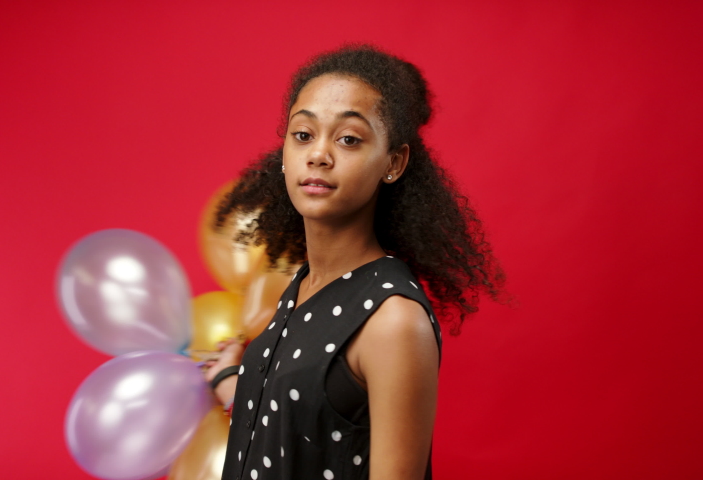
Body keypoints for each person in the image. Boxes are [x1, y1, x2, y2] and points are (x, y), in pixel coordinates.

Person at [203, 44, 504, 480]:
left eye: (348, 139)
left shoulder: (393, 319)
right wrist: (234, 377)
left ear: (393, 163)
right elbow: (297, 417)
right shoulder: (304, 286)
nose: (319, 154)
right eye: (303, 134)